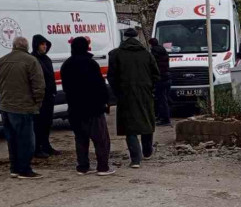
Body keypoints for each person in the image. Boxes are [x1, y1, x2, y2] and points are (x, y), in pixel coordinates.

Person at [0, 36, 46, 179]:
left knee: (12, 140)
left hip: (5, 106)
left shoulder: (1, 61)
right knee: (26, 140)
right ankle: (25, 169)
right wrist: (37, 103)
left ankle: (14, 168)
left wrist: (4, 94)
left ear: (13, 46)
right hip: (23, 107)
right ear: (26, 47)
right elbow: (39, 86)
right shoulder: (31, 61)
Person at [61, 37, 115, 176]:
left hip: (75, 108)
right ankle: (102, 167)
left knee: (80, 139)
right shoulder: (91, 64)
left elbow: (66, 88)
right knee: (101, 139)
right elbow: (100, 85)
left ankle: (83, 166)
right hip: (93, 108)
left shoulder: (66, 65)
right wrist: (106, 102)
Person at [108, 29, 160, 169]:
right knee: (147, 121)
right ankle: (147, 151)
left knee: (130, 127)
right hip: (145, 94)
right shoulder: (146, 54)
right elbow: (156, 75)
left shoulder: (116, 54)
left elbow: (111, 77)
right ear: (137, 38)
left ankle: (135, 159)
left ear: (124, 37)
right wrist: (150, 88)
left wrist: (118, 92)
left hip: (126, 95)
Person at [31, 34, 59, 158]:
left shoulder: (46, 59)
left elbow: (50, 77)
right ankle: (37, 148)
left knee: (47, 122)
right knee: (38, 123)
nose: (45, 46)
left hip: (49, 96)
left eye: (46, 44)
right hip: (39, 97)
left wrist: (53, 91)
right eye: (42, 44)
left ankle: (46, 145)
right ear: (37, 45)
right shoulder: (33, 59)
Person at [148, 38, 172, 126]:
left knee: (161, 99)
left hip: (160, 78)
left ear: (151, 44)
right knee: (165, 98)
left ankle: (165, 119)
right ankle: (162, 116)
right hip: (167, 77)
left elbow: (153, 66)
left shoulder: (154, 52)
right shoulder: (163, 51)